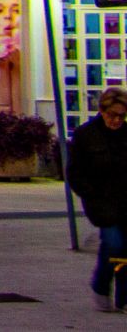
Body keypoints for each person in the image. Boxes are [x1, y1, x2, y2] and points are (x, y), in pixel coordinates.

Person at [71, 86, 127, 312]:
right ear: (102, 111)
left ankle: (122, 295)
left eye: (121, 116)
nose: (117, 120)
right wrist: (89, 193)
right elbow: (75, 172)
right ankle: (101, 286)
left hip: (125, 200)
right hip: (101, 202)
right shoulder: (86, 135)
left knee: (123, 249)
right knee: (114, 244)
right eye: (112, 115)